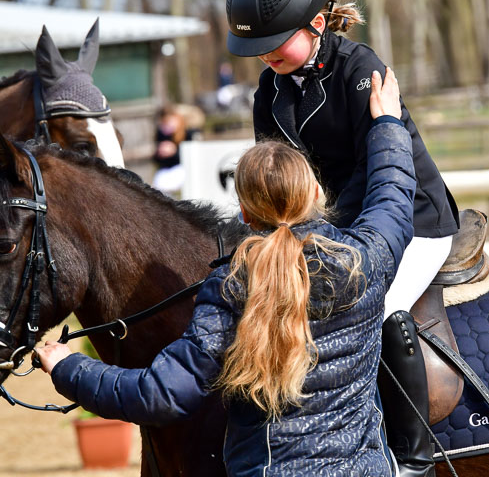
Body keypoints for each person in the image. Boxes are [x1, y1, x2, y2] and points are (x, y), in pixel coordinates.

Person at [37, 69, 415, 477]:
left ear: (246, 214)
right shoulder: (366, 259)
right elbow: (393, 196)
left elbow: (161, 394)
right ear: (318, 193)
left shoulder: (233, 287)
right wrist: (387, 125)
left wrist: (68, 367)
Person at [226, 0, 459, 476]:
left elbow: (368, 169)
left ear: (316, 22)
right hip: (331, 229)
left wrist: (320, 229)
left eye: (275, 41)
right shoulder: (270, 92)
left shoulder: (362, 69)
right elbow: (275, 176)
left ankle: (411, 455)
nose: (266, 55)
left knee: (377, 308)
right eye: (258, 46)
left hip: (412, 218)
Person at [151, 104, 186, 195]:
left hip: (180, 169)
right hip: (165, 171)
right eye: (165, 122)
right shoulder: (161, 135)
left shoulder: (186, 134)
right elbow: (156, 160)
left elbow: (189, 158)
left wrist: (174, 152)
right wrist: (160, 153)